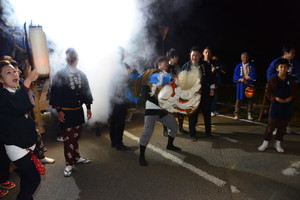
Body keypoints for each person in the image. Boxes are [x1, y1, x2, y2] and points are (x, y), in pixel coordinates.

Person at [49, 48, 93, 177]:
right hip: (66, 112)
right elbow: (56, 93)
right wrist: (59, 111)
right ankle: (69, 163)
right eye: (70, 57)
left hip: (78, 111)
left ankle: (77, 157)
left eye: (75, 57)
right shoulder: (60, 75)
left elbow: (86, 91)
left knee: (76, 136)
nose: (73, 59)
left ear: (78, 59)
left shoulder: (82, 74)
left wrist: (89, 108)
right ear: (66, 59)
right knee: (69, 138)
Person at [0, 60, 41, 200]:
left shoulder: (16, 90)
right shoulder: (3, 96)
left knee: (26, 180)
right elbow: (17, 106)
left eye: (15, 71)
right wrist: (28, 81)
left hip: (27, 142)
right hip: (16, 147)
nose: (14, 74)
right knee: (34, 179)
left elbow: (27, 106)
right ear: (1, 79)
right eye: (8, 73)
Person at [138, 56, 181, 166]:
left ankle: (170, 145)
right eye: (164, 62)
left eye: (167, 62)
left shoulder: (166, 75)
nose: (167, 63)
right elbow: (161, 80)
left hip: (162, 109)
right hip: (152, 107)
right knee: (147, 132)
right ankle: (141, 156)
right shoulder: (153, 74)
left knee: (174, 126)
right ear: (159, 64)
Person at [258, 58, 297, 153]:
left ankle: (278, 143)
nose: (283, 69)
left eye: (285, 67)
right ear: (277, 68)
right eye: (281, 67)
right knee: (271, 126)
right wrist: (275, 98)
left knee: (282, 127)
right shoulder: (273, 80)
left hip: (286, 107)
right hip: (275, 106)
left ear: (288, 69)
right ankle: (265, 142)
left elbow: (295, 93)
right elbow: (268, 92)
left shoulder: (291, 81)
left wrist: (290, 98)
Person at [182, 46, 215, 140]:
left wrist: (212, 88)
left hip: (204, 93)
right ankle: (192, 134)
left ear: (200, 55)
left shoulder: (205, 65)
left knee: (207, 114)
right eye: (193, 55)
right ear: (190, 55)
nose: (195, 57)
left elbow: (210, 78)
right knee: (193, 115)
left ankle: (208, 133)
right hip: (192, 95)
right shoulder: (186, 66)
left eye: (197, 55)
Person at [109, 47, 135, 150]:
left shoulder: (124, 65)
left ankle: (115, 142)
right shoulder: (113, 66)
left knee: (116, 120)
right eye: (121, 53)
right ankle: (118, 143)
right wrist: (128, 73)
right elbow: (116, 79)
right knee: (117, 120)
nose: (122, 55)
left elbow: (130, 80)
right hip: (116, 96)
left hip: (120, 96)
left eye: (123, 53)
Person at [163, 48, 187, 134]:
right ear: (172, 57)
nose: (178, 58)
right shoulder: (165, 67)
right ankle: (165, 130)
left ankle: (180, 128)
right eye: (176, 56)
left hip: (177, 92)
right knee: (166, 112)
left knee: (180, 110)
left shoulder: (177, 66)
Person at [233, 52, 256, 120]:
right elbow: (235, 75)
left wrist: (247, 80)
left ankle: (249, 114)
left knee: (250, 99)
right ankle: (236, 114)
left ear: (248, 58)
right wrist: (241, 79)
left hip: (249, 84)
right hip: (240, 85)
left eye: (246, 57)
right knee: (238, 99)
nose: (245, 59)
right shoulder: (238, 66)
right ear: (241, 58)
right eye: (243, 57)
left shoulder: (252, 66)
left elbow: (254, 75)